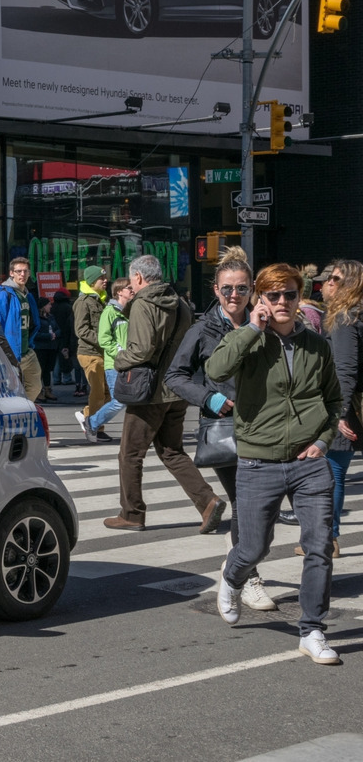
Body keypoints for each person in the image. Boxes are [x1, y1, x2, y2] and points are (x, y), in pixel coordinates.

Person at [209, 263, 341, 665]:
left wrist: (322, 440)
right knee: (253, 546)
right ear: (260, 299)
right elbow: (215, 370)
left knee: (319, 545)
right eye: (273, 295)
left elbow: (334, 400)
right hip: (257, 462)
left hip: (308, 462)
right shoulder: (248, 340)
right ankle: (232, 577)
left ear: (300, 299)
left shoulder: (317, 346)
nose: (282, 302)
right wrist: (251, 328)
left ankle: (312, 630)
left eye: (290, 295)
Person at [164, 248, 275, 612]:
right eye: (227, 289)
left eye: (241, 289)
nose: (233, 296)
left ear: (252, 291)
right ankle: (248, 577)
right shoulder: (202, 329)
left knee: (258, 506)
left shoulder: (266, 323)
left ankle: (236, 563)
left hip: (265, 428)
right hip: (225, 430)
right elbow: (175, 376)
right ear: (215, 290)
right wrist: (207, 398)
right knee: (246, 502)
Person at [105, 254, 226, 533]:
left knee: (130, 454)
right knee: (171, 451)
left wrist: (119, 360)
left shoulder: (142, 304)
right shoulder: (181, 303)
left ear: (137, 277)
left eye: (132, 279)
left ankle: (132, 513)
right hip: (178, 388)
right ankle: (207, 501)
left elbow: (142, 349)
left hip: (149, 393)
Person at [318, 259, 363, 557]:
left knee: (332, 472)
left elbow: (345, 370)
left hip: (347, 408)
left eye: (335, 279)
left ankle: (328, 540)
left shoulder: (345, 319)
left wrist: (338, 414)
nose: (327, 283)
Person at [82, 276, 133, 443]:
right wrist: (120, 353)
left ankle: (135, 435)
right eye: (129, 288)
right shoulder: (109, 312)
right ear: (119, 292)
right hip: (115, 365)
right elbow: (104, 339)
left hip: (130, 363)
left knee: (134, 401)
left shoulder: (129, 311)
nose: (132, 291)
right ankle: (92, 422)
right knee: (119, 401)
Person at [0, 257, 43, 401]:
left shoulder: (27, 296)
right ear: (11, 273)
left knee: (35, 387)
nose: (22, 274)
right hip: (9, 354)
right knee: (10, 392)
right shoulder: (3, 296)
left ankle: (24, 410)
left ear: (29, 273)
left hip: (26, 351)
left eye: (25, 271)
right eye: (18, 271)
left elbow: (32, 323)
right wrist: (1, 353)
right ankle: (19, 413)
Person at [74, 265, 111, 435]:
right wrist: (103, 341)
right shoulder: (83, 302)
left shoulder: (101, 300)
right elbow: (81, 330)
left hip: (102, 353)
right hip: (89, 353)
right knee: (98, 393)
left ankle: (87, 415)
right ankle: (96, 428)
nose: (105, 281)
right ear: (91, 281)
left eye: (105, 278)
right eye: (101, 279)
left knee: (109, 393)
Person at [32, 296, 60, 402]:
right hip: (40, 347)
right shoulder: (37, 319)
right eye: (48, 304)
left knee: (48, 370)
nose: (50, 306)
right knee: (40, 369)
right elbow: (35, 334)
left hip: (51, 347)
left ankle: (48, 390)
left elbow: (58, 329)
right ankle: (39, 391)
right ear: (43, 307)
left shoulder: (51, 317)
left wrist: (55, 334)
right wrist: (48, 336)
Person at [52, 286, 77, 388]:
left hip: (54, 335)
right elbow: (70, 323)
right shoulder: (68, 307)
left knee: (57, 358)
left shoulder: (52, 306)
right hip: (65, 335)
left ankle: (56, 378)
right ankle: (67, 378)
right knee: (65, 357)